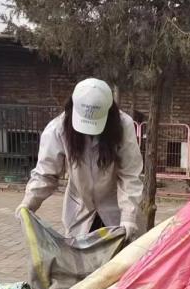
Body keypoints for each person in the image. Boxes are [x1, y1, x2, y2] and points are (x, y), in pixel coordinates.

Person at [17, 78, 144, 239]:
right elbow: (46, 173)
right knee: (80, 253)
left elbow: (130, 174)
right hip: (80, 211)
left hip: (116, 209)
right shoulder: (58, 129)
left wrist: (128, 217)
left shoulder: (123, 125)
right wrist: (28, 203)